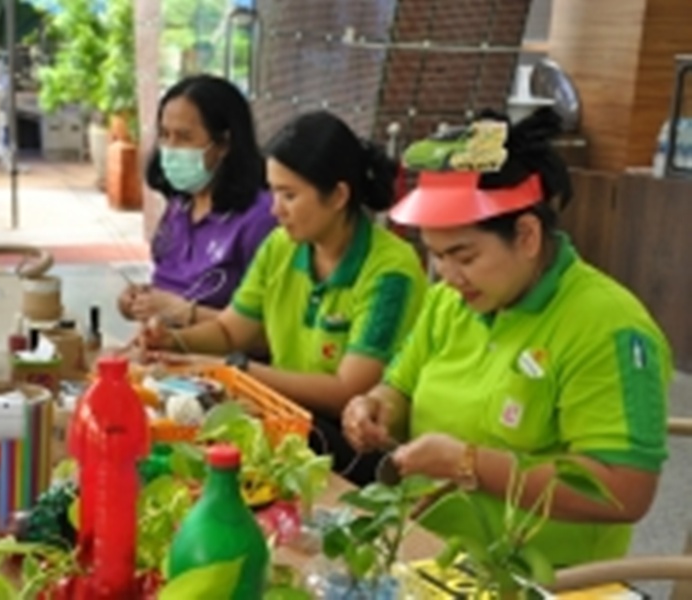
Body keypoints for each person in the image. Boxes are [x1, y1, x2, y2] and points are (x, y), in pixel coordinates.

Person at [342, 108, 671, 567]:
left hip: (540, 577)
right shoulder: (449, 302)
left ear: (527, 235)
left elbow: (625, 489)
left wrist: (468, 463)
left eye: (464, 257)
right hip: (428, 551)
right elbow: (400, 385)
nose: (448, 276)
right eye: (436, 256)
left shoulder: (608, 327)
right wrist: (377, 407)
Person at [142, 110, 427, 483]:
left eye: (289, 195)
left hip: (355, 451)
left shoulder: (391, 271)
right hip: (290, 426)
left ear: (338, 196)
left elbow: (348, 391)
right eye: (273, 191)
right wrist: (173, 341)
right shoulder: (281, 246)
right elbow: (230, 330)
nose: (275, 210)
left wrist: (238, 370)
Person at [118, 74, 276, 327]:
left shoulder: (261, 217)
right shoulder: (180, 205)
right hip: (162, 345)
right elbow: (176, 285)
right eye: (164, 135)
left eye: (184, 137)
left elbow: (270, 326)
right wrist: (142, 299)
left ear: (223, 143)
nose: (170, 148)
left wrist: (184, 312)